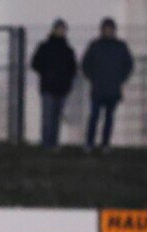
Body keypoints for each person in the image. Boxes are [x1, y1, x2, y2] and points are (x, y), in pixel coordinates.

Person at [82, 17, 134, 152]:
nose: (109, 31)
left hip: (112, 89)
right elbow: (85, 64)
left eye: (111, 28)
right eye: (107, 28)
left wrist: (120, 79)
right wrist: (93, 78)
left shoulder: (120, 46)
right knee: (94, 117)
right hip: (99, 89)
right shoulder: (95, 45)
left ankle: (105, 144)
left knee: (109, 119)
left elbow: (129, 65)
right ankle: (89, 143)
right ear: (102, 29)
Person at [31, 18, 77, 149]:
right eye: (59, 29)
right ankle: (47, 143)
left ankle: (53, 143)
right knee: (48, 118)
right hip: (49, 87)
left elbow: (73, 69)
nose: (61, 31)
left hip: (60, 88)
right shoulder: (45, 47)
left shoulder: (67, 50)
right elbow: (35, 63)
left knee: (55, 118)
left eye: (63, 29)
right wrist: (47, 73)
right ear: (54, 29)